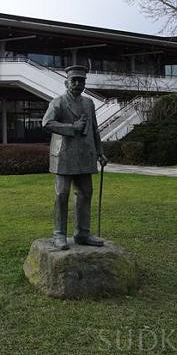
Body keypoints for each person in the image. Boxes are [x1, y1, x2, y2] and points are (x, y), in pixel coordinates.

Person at [42, 65, 108, 250]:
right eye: (74, 80)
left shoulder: (89, 103)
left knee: (86, 193)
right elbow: (47, 123)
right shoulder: (58, 102)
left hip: (85, 155)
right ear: (66, 82)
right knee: (62, 194)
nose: (78, 84)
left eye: (82, 81)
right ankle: (59, 234)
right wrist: (72, 128)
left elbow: (94, 129)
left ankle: (82, 233)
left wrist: (100, 151)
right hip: (64, 155)